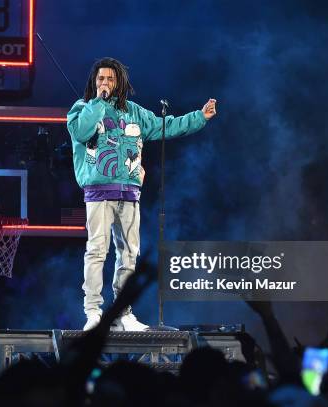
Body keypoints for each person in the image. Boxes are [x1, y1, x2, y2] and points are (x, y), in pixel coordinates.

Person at [67, 57, 217, 331]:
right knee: (97, 251)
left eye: (110, 79)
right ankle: (93, 312)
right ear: (94, 82)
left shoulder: (135, 113)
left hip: (129, 193)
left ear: (119, 83)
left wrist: (199, 117)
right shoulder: (82, 109)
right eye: (100, 79)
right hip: (99, 193)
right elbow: (82, 131)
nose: (105, 83)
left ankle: (123, 313)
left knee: (129, 254)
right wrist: (98, 103)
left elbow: (165, 126)